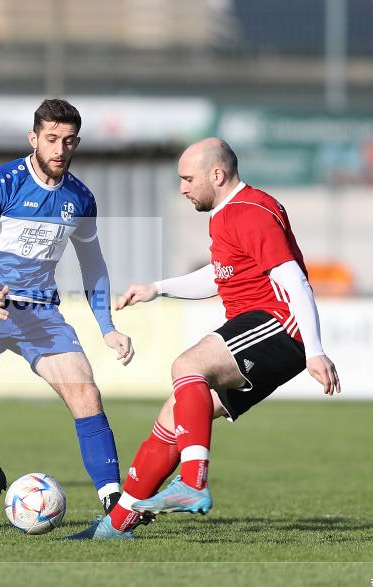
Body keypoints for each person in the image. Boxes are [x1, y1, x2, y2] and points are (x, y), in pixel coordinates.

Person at [68, 137, 341, 540]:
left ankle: (193, 482)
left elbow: (293, 279)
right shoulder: (227, 214)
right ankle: (116, 525)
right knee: (173, 418)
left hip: (279, 325)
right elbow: (219, 275)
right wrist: (157, 288)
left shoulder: (251, 212)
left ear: (217, 174)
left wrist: (315, 351)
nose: (182, 188)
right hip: (266, 330)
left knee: (187, 365)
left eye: (187, 178)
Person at [0, 99, 134, 527]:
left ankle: (113, 500)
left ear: (77, 142)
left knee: (85, 393)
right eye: (51, 139)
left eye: (68, 141)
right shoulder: (1, 183)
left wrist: (108, 327)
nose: (59, 149)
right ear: (34, 139)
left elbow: (93, 265)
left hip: (41, 314)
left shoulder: (80, 198)